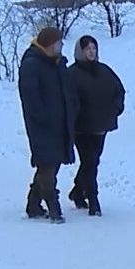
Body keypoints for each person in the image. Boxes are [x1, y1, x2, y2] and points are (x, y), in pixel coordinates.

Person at [17, 26, 79, 223]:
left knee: (50, 163)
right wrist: (43, 117)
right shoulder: (32, 64)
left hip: (59, 123)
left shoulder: (57, 63)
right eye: (58, 43)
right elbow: (30, 97)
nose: (61, 46)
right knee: (48, 165)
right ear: (49, 45)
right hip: (42, 125)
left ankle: (33, 205)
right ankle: (54, 208)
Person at [67, 35, 126, 217]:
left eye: (94, 48)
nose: (91, 52)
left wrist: (116, 108)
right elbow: (68, 100)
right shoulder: (71, 74)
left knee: (92, 161)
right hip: (81, 128)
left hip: (101, 126)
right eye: (87, 49)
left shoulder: (105, 71)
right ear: (80, 51)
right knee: (90, 162)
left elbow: (119, 91)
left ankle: (77, 192)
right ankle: (94, 201)